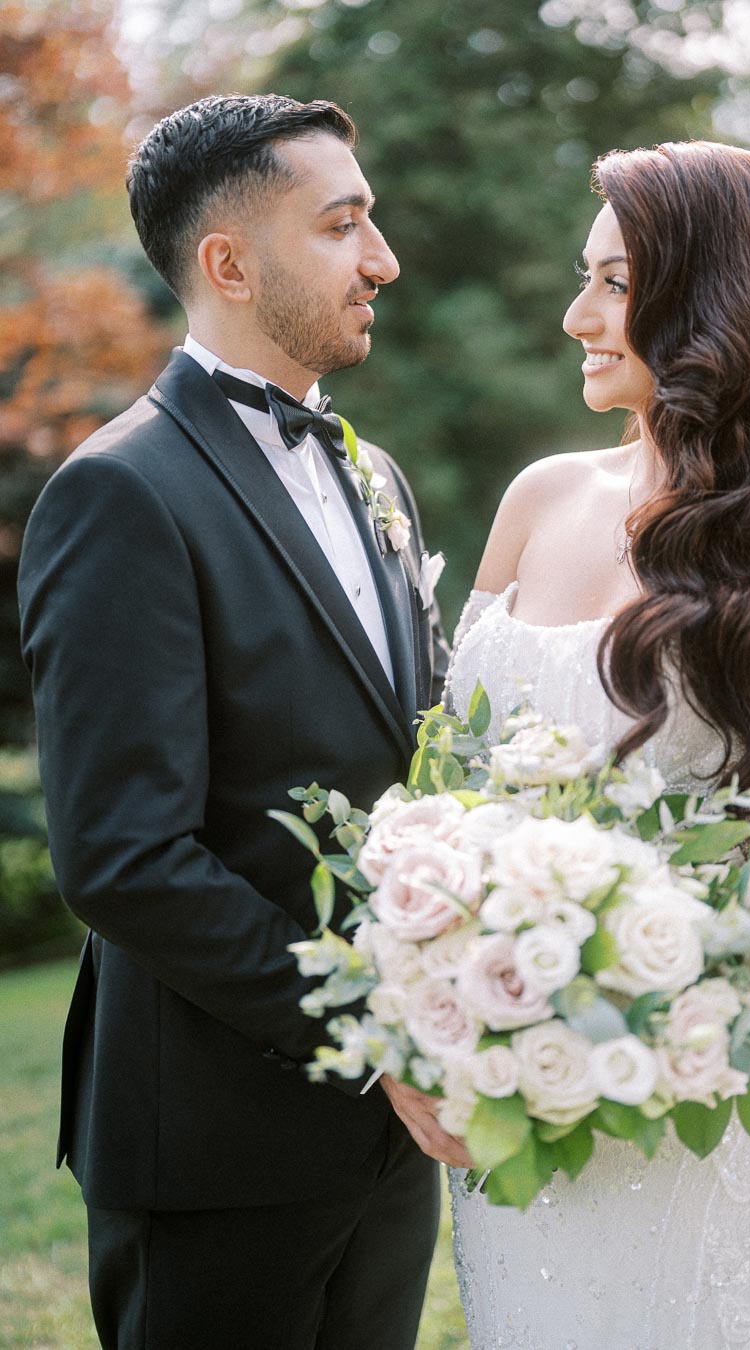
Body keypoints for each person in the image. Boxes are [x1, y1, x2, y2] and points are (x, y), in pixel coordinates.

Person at [18, 92, 466, 1350]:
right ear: (228, 262)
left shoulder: (373, 477)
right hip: (214, 1145)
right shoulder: (118, 494)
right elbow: (123, 858)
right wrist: (375, 1032)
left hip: (388, 1145)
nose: (383, 259)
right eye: (344, 225)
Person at [445, 142, 750, 1348]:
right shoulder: (538, 497)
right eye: (581, 278)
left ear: (702, 299)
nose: (573, 314)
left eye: (611, 283)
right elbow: (448, 780)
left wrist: (619, 991)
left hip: (722, 1076)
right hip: (514, 1076)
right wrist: (465, 989)